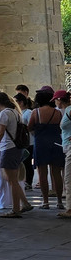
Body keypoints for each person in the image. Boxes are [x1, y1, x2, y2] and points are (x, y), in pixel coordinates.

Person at [0, 90, 32, 218]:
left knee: (12, 180)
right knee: (11, 178)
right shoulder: (16, 112)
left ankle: (15, 209)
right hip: (16, 147)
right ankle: (25, 203)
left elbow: (0, 132)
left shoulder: (4, 113)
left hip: (8, 148)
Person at [28, 86, 64, 209]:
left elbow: (29, 127)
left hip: (41, 143)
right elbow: (60, 128)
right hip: (55, 143)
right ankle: (59, 201)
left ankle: (45, 202)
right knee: (56, 173)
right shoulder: (57, 113)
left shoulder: (36, 112)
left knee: (42, 174)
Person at [15, 92, 36, 190]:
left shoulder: (28, 113)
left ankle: (28, 181)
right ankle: (24, 180)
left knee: (27, 162)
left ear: (21, 102)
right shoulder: (19, 113)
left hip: (29, 142)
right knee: (23, 162)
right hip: (22, 142)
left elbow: (31, 127)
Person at [56, 90, 71, 219]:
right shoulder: (66, 111)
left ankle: (70, 208)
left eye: (56, 100)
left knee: (68, 178)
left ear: (60, 100)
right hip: (67, 147)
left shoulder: (70, 110)